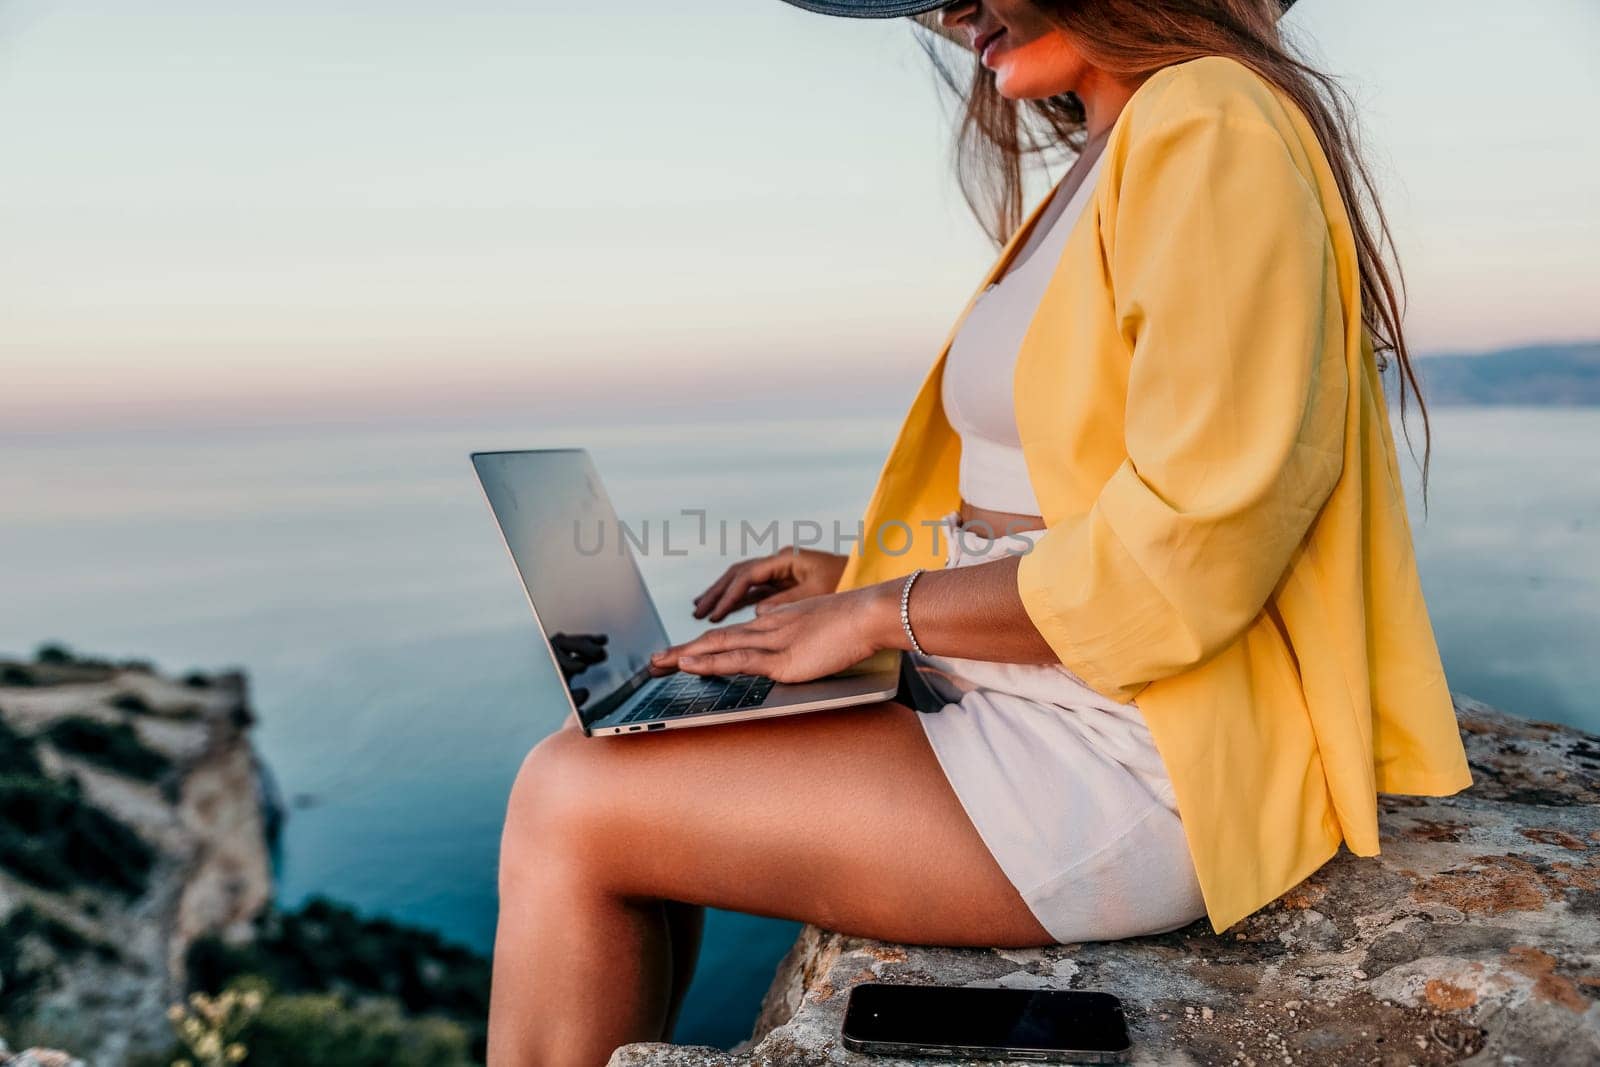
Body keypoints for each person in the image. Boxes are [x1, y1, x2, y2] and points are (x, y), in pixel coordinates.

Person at [485, 3, 1474, 1063]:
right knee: (622, 742)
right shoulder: (1116, 143)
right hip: (1017, 685)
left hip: (1128, 749)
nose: (947, 10)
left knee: (567, 800)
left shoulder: (1208, 121)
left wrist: (880, 612)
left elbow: (1191, 544)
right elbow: (1064, 495)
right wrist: (854, 582)